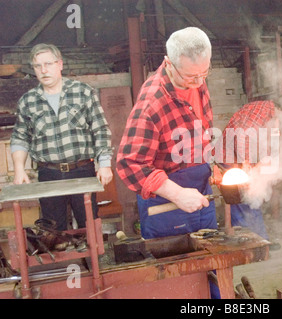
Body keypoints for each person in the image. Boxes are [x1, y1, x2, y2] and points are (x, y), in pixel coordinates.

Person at [116, 27, 216, 240]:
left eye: (204, 74)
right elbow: (129, 164)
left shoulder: (196, 78)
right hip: (166, 200)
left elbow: (201, 130)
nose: (199, 83)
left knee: (211, 264)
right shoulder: (152, 103)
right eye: (191, 77)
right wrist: (177, 194)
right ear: (169, 64)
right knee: (175, 269)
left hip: (201, 189)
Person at [10, 43, 113, 231]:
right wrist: (19, 170)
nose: (43, 70)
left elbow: (100, 129)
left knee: (89, 224)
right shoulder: (28, 101)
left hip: (82, 170)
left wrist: (104, 164)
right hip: (49, 174)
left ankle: (93, 260)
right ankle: (62, 259)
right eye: (37, 66)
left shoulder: (83, 92)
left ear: (60, 64)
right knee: (53, 230)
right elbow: (20, 137)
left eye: (48, 64)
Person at [218, 92, 282, 247]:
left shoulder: (274, 118)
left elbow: (269, 146)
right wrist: (248, 167)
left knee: (253, 198)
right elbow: (242, 137)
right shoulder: (260, 111)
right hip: (232, 160)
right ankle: (248, 243)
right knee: (243, 200)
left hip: (245, 160)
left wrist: (279, 168)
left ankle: (259, 240)